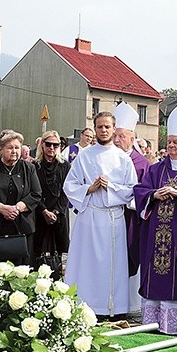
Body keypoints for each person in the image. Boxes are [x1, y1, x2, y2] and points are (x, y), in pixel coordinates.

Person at [134, 105, 177, 333]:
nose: (171, 146)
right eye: (169, 142)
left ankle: (175, 328)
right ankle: (152, 326)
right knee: (154, 277)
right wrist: (153, 195)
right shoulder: (156, 169)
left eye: (176, 142)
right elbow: (140, 190)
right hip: (156, 237)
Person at [63, 112, 137, 319]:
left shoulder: (123, 158)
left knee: (112, 266)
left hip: (113, 219)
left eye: (107, 127)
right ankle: (86, 305)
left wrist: (110, 187)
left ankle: (113, 307)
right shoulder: (84, 156)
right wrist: (89, 188)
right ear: (94, 129)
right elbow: (69, 185)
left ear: (114, 129)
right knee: (87, 264)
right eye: (100, 127)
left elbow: (132, 190)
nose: (103, 130)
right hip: (90, 218)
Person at [0, 131, 42, 272]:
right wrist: (1, 208)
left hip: (22, 228)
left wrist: (16, 208)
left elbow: (36, 194)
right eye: (10, 148)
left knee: (21, 273)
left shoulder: (29, 168)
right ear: (0, 149)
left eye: (17, 147)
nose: (14, 151)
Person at [112, 103, 150, 313]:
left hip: (130, 221)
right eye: (115, 136)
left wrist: (127, 198)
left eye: (121, 136)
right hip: (107, 219)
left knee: (127, 259)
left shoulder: (142, 163)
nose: (117, 140)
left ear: (132, 138)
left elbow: (144, 194)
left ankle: (129, 304)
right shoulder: (106, 158)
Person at [33, 130, 70, 263]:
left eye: (56, 145)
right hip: (40, 212)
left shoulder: (65, 166)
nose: (52, 148)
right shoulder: (34, 166)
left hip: (59, 213)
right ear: (42, 145)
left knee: (62, 249)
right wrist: (44, 211)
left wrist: (56, 211)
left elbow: (67, 190)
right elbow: (33, 191)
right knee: (37, 249)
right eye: (48, 144)